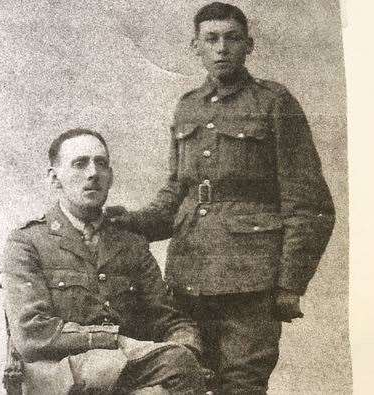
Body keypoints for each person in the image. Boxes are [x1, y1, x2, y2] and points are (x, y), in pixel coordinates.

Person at [109, 2, 335, 394]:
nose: (221, 48)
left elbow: (309, 204)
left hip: (251, 280)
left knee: (241, 385)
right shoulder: (188, 107)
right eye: (211, 39)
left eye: (232, 38)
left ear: (249, 45)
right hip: (189, 276)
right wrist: (129, 221)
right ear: (194, 46)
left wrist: (289, 284)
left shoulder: (274, 102)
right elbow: (175, 195)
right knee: (186, 379)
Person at [2, 128, 208, 394]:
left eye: (101, 163)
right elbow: (31, 334)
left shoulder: (130, 242)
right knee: (175, 366)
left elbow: (167, 318)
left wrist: (186, 345)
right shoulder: (28, 242)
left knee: (182, 363)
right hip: (61, 376)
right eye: (80, 163)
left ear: (110, 177)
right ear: (55, 178)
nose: (92, 173)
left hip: (128, 373)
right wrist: (113, 339)